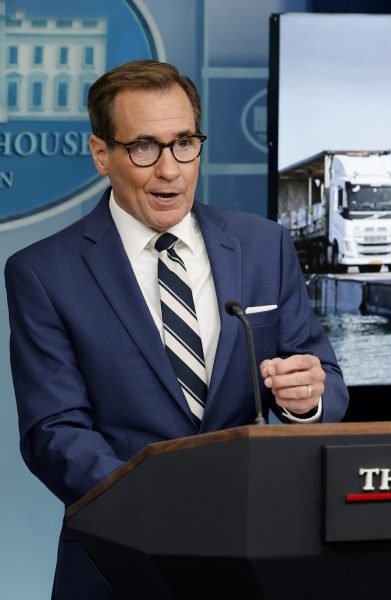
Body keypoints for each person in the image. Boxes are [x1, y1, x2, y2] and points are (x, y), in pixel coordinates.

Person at [4, 60, 349, 599]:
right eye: (145, 147)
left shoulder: (264, 246)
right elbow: (54, 433)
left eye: (184, 143)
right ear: (102, 155)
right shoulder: (43, 273)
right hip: (118, 566)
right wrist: (166, 509)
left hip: (259, 561)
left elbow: (323, 375)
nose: (171, 170)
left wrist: (304, 401)